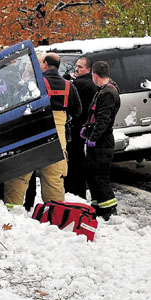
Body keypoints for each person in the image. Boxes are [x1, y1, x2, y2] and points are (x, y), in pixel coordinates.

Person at [5, 52, 81, 208]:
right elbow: (78, 111)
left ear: (45, 65)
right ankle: (56, 215)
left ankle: (11, 215)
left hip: (33, 132)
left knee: (20, 175)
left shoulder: (34, 84)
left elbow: (17, 105)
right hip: (57, 135)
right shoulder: (69, 86)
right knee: (53, 178)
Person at [82, 60, 120, 220]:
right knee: (92, 175)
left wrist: (94, 137)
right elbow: (94, 115)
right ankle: (98, 206)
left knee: (99, 176)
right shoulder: (102, 91)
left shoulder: (108, 94)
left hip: (102, 142)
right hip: (98, 140)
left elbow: (103, 119)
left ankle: (109, 209)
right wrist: (86, 127)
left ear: (95, 75)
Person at [64, 56, 98, 199]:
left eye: (80, 67)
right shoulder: (91, 84)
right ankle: (80, 192)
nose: (76, 69)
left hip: (76, 128)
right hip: (84, 128)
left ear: (89, 70)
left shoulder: (80, 84)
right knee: (79, 161)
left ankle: (74, 193)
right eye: (76, 66)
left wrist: (66, 78)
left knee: (73, 162)